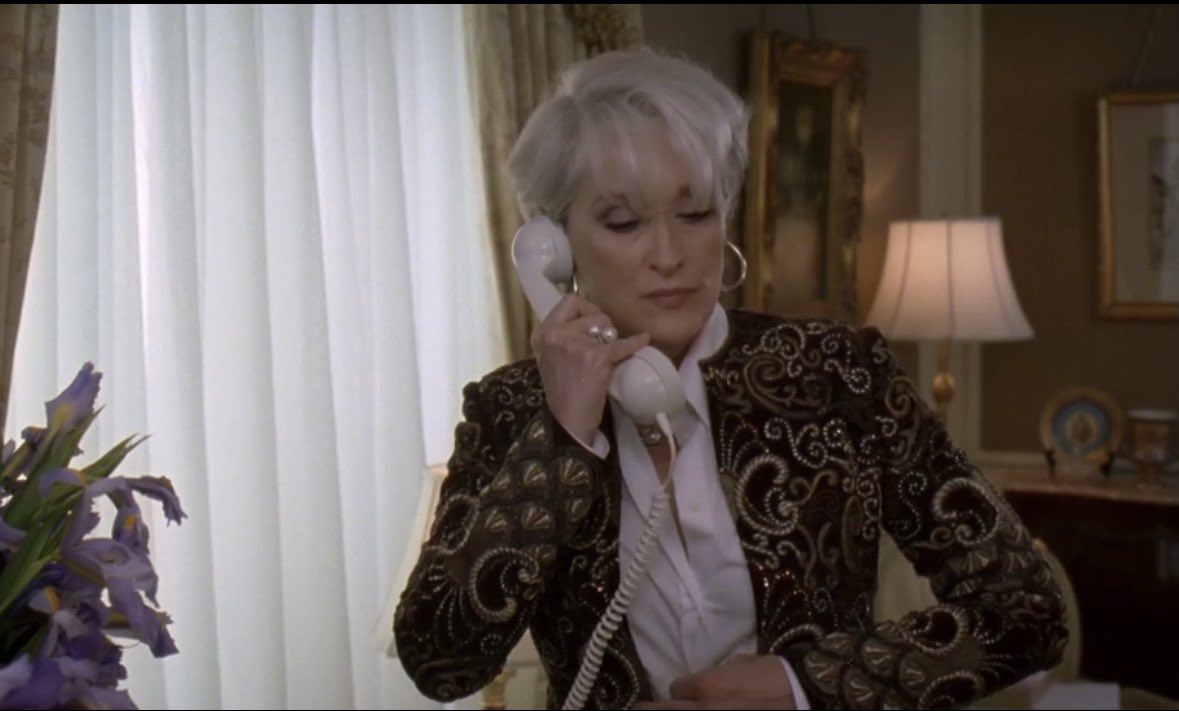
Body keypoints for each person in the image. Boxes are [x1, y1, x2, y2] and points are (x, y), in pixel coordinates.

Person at [393, 47, 1067, 710]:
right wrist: (562, 436)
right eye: (623, 223)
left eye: (695, 215)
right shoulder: (510, 409)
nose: (670, 255)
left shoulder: (837, 372)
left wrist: (802, 685)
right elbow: (437, 660)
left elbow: (1027, 608)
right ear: (556, 247)